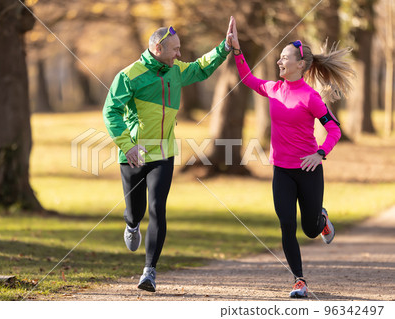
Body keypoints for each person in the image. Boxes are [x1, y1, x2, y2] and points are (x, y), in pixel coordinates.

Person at [227, 17, 355, 298]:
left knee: (309, 230)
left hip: (308, 171)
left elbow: (334, 129)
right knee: (286, 223)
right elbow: (248, 78)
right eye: (279, 58)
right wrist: (237, 50)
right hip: (281, 171)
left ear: (301, 65)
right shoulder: (273, 89)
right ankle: (299, 280)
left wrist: (319, 153)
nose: (279, 62)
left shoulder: (311, 97)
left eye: (284, 58)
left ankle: (321, 219)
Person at [103, 19, 234, 292]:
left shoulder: (176, 71)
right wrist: (128, 146)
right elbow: (111, 112)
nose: (179, 54)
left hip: (163, 154)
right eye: (174, 49)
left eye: (180, 49)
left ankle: (149, 271)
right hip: (133, 156)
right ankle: (131, 224)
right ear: (157, 47)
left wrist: (224, 47)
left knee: (157, 208)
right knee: (135, 211)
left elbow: (200, 68)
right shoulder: (129, 75)